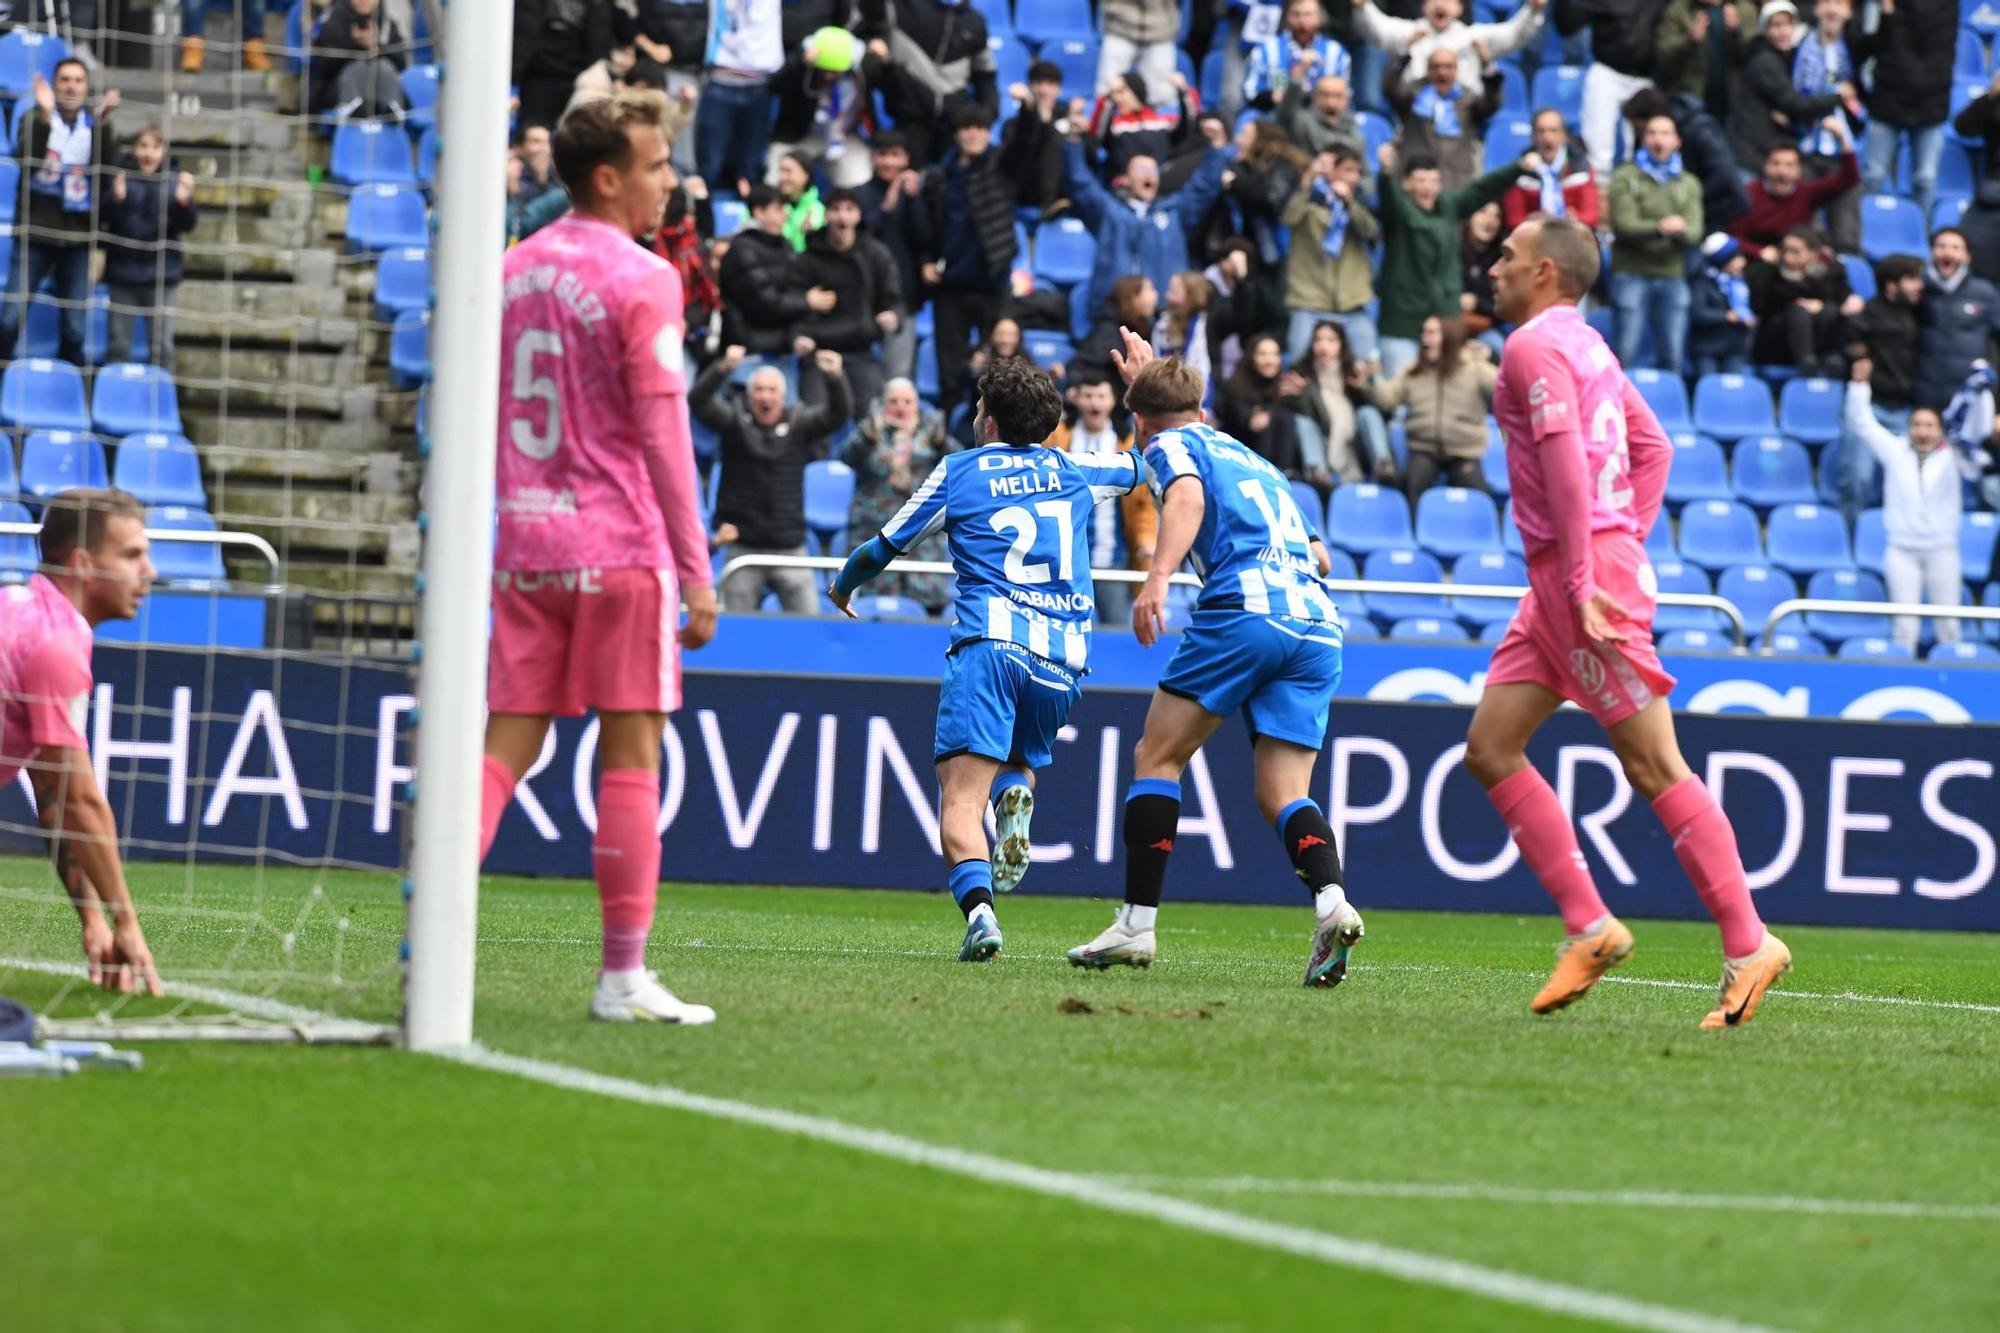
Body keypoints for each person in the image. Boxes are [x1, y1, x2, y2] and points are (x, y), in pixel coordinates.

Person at [1465, 212, 1791, 1029]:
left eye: (1507, 256)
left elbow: (1570, 462)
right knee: (1491, 747)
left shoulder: (1533, 346)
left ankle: (1750, 944)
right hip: (1572, 574)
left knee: (1653, 763)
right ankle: (1590, 924)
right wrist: (1619, 542)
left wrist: (1590, 569)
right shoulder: (1593, 347)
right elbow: (1653, 450)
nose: (1493, 266)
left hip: (1578, 578)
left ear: (1546, 272)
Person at [480, 91, 718, 1025]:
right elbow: (663, 436)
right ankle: (622, 976)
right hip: (620, 548)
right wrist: (696, 572)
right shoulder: (645, 275)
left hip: (525, 541)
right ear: (611, 177)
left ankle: (434, 939)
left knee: (503, 748)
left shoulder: (510, 268)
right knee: (632, 753)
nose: (672, 181)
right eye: (659, 166)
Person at [1066, 336, 1365, 987]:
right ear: (1198, 405)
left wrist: (1157, 577)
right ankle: (1332, 902)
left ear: (1139, 420)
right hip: (1317, 625)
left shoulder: (1168, 445)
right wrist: (1150, 380)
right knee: (1284, 792)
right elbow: (1321, 557)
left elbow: (1189, 497)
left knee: (1157, 756)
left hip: (1245, 613)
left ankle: (1136, 924)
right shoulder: (1255, 460)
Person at [829, 357, 1146, 960]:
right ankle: (1014, 801)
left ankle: (981, 914)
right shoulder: (1075, 467)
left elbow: (883, 547)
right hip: (1063, 659)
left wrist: (844, 586)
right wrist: (1145, 393)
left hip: (990, 645)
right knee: (1019, 763)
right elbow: (1150, 466)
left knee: (959, 797)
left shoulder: (959, 473)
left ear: (991, 421)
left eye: (978, 409)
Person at [0, 489, 162, 998]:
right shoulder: (56, 645)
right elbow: (80, 800)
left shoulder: (18, 609)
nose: (150, 572)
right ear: (84, 564)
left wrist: (91, 919)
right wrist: (127, 924)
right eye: (132, 555)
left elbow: (51, 792)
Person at [696, 344, 855, 612]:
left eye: (771, 390)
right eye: (758, 390)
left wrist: (835, 378)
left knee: (810, 628)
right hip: (743, 547)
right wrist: (721, 368)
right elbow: (698, 401)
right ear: (748, 396)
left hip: (790, 547)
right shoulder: (733, 421)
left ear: (783, 396)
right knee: (736, 629)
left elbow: (837, 415)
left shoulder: (799, 422)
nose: (764, 396)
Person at [1061, 116, 1233, 336]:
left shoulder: (1174, 211)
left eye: (1154, 170)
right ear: (1126, 179)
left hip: (1163, 314)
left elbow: (1204, 186)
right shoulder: (1110, 211)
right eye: (1141, 169)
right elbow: (1080, 184)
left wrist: (1217, 147)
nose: (1149, 174)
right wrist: (1074, 141)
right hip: (1113, 317)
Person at [1, 63, 118, 368]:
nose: (71, 86)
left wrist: (103, 126)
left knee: (76, 328)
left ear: (85, 87)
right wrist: (43, 116)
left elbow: (106, 176)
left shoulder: (94, 125)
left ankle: (72, 394)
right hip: (35, 236)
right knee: (10, 318)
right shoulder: (34, 118)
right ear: (54, 86)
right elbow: (26, 162)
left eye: (78, 81)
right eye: (65, 80)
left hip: (77, 240)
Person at [1375, 144, 1521, 379]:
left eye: (1433, 181)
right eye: (1421, 180)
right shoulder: (1400, 212)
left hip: (1446, 324)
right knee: (1402, 397)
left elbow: (1481, 190)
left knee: (1449, 393)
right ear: (1406, 183)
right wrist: (1384, 173)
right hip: (1402, 327)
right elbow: (1388, 200)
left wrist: (1518, 168)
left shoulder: (1448, 206)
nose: (1428, 187)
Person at [1846, 362, 1963, 650]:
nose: (1922, 431)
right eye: (1917, 425)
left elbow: (1974, 429)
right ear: (1909, 427)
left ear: (1939, 430)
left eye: (1929, 426)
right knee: (1904, 626)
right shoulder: (1894, 450)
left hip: (1942, 549)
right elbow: (1862, 423)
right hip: (1901, 549)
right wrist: (1859, 387)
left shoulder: (1954, 457)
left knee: (1949, 625)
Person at [919, 104, 1019, 409]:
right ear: (956, 134)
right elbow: (929, 225)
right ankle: (953, 430)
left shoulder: (1002, 165)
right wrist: (926, 258)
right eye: (967, 127)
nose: (974, 133)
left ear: (989, 133)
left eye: (980, 127)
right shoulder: (940, 176)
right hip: (951, 282)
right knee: (950, 367)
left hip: (992, 279)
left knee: (1002, 364)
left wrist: (1031, 111)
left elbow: (1026, 146)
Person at [1046, 376, 1159, 625]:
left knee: (1116, 635)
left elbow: (1143, 504)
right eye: (1088, 396)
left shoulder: (1127, 442)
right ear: (1076, 399)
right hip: (1064, 563)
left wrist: (1145, 539)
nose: (1094, 402)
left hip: (1112, 558)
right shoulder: (1057, 440)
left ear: (1113, 400)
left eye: (1101, 396)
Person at [843, 378, 957, 611]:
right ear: (884, 404)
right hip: (876, 530)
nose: (901, 407)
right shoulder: (871, 431)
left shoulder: (932, 432)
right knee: (874, 607)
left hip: (920, 538)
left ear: (917, 405)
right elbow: (844, 456)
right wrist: (866, 437)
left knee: (924, 608)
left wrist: (941, 442)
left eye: (907, 401)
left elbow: (959, 462)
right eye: (893, 401)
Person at [1607, 113, 1703, 376]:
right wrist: (1662, 227)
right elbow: (1625, 225)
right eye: (1652, 133)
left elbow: (1695, 232)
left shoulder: (1689, 183)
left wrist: (1679, 229)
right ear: (1643, 138)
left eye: (1665, 133)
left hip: (1672, 274)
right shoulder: (1626, 176)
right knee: (1625, 352)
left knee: (1673, 355)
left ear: (1677, 141)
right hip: (1630, 273)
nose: (1658, 139)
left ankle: (1668, 411)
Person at [793, 186, 902, 413]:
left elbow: (893, 299)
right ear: (826, 215)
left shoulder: (875, 254)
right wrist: (798, 335)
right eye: (835, 209)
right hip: (818, 353)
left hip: (861, 351)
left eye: (849, 209)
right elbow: (792, 304)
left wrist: (892, 315)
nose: (842, 216)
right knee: (815, 418)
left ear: (858, 215)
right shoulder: (807, 258)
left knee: (873, 419)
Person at [1368, 314, 1496, 499]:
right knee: (1413, 484)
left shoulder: (1477, 370)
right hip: (1423, 450)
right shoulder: (1414, 372)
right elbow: (1386, 399)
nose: (1424, 338)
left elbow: (1503, 388)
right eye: (1424, 333)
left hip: (1464, 451)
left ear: (1449, 337)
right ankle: (1412, 527)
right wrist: (1373, 379)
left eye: (1432, 333)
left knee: (1479, 493)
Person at [100, 127, 197, 372]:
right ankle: (113, 401)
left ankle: (162, 404)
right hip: (123, 276)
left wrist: (184, 203)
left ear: (163, 152)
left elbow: (188, 225)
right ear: (134, 149)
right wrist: (115, 199)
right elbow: (101, 220)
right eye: (143, 146)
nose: (148, 153)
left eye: (154, 147)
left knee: (162, 348)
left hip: (162, 277)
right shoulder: (119, 177)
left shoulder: (175, 181)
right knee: (118, 346)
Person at [1836, 253, 1923, 514]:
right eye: (1912, 279)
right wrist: (1858, 356)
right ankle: (1848, 544)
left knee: (1907, 486)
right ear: (1891, 285)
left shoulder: (1920, 315)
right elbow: (1848, 343)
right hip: (1870, 408)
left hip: (1904, 410)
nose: (1920, 285)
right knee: (1857, 480)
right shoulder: (1867, 313)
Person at [1858, 0, 1957, 226]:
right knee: (1873, 174)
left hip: (1931, 102)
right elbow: (1871, 45)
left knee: (1925, 179)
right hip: (1887, 100)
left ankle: (1918, 235)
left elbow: (1928, 35)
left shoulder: (1947, 8)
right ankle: (1866, 230)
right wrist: (1887, 15)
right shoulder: (1886, 8)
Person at [1726, 2, 1850, 178]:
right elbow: (1795, 104)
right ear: (1765, 30)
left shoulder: (1782, 57)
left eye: (1788, 24)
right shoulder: (1765, 62)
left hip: (1760, 153)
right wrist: (1838, 97)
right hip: (1750, 156)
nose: (1783, 32)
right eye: (1776, 25)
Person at [1282, 146, 1380, 364]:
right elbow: (1289, 218)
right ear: (1330, 171)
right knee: (1298, 368)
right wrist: (1309, 178)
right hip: (1310, 302)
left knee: (1367, 370)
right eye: (1348, 170)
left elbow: (1371, 231)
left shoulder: (1359, 201)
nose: (1355, 178)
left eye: (1358, 172)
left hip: (1353, 304)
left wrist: (1350, 204)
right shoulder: (1307, 198)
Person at [1787, 0, 1865, 254]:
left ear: (1849, 12)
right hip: (1804, 148)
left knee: (1846, 235)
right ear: (1816, 9)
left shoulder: (1856, 47)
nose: (1832, 10)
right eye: (1826, 3)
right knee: (1804, 232)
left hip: (1844, 153)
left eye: (1840, 4)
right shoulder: (1796, 45)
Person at [1353, 0, 1547, 100]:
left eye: (1448, 0)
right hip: (1415, 115)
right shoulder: (1411, 33)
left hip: (1464, 115)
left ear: (1459, 8)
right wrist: (1364, 7)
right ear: (1424, 6)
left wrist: (1532, 10)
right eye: (1434, 0)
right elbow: (1377, 29)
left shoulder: (1473, 37)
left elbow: (1513, 35)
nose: (1440, 4)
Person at [1280, 319, 1396, 486]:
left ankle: (1383, 465)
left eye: (1330, 340)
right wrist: (1301, 395)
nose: (1323, 346)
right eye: (1318, 339)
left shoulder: (1354, 373)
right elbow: (1294, 413)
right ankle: (1317, 473)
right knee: (1304, 423)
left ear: (1342, 344)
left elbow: (1386, 412)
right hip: (1320, 441)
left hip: (1354, 447)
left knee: (1367, 413)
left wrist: (1368, 387)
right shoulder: (1301, 374)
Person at [718, 185, 828, 358]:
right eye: (778, 209)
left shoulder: (786, 245)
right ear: (759, 212)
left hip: (784, 345)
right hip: (749, 350)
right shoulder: (742, 250)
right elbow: (763, 303)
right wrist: (806, 302)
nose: (786, 214)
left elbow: (798, 284)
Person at [1383, 45, 1504, 193]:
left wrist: (1486, 63)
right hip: (1417, 182)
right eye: (1436, 66)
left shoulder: (1468, 97)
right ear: (1427, 69)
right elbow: (1390, 88)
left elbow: (1491, 103)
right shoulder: (1414, 93)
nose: (1442, 72)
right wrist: (1404, 52)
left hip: (1456, 181)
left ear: (1456, 70)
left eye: (1448, 66)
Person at [693, 0, 784, 196]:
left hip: (760, 83)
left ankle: (753, 214)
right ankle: (703, 212)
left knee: (751, 165)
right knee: (709, 162)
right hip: (720, 79)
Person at [1746, 226, 1857, 377]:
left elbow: (1846, 301)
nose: (1787, 257)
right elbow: (1758, 306)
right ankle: (1806, 361)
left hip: (1818, 335)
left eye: (1796, 252)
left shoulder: (1829, 272)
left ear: (1813, 253)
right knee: (1798, 310)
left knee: (1829, 310)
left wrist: (1820, 305)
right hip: (1777, 341)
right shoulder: (1769, 272)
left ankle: (1830, 357)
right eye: (1784, 250)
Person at [1727, 133, 1858, 251]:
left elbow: (1849, 178)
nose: (1782, 172)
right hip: (1756, 262)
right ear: (1765, 166)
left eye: (1789, 165)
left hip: (1797, 262)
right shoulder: (1748, 194)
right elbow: (1733, 238)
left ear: (1799, 170)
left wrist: (1842, 138)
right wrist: (1760, 252)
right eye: (1776, 163)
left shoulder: (1807, 193)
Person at [1916, 229, 2000, 413]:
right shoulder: (1917, 291)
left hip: (1969, 405)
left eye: (1955, 247)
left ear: (1967, 256)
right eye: (1941, 246)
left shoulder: (1985, 293)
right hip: (1923, 405)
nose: (1947, 252)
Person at [1218, 334, 1316, 482]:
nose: (1270, 360)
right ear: (1251, 357)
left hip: (1284, 463)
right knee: (1276, 417)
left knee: (1285, 416)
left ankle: (1287, 473)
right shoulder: (1235, 387)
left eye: (1275, 354)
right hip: (1242, 459)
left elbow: (1311, 419)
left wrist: (1302, 396)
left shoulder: (1286, 386)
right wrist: (1255, 416)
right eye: (1263, 354)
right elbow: (1250, 422)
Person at [1243, 0, 1353, 113]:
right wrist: (1274, 96)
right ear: (1287, 16)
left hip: (1320, 121)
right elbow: (1251, 94)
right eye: (1296, 14)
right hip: (1275, 118)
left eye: (1308, 14)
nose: (1302, 21)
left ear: (1320, 18)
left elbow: (1346, 97)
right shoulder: (1266, 49)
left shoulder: (1336, 53)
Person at [1503, 109, 1600, 233]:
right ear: (1532, 137)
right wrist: (1536, 220)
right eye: (1541, 131)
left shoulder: (1582, 169)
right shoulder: (1520, 170)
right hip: (1534, 239)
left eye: (1554, 131)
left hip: (1572, 238)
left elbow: (1591, 217)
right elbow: (1514, 220)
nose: (1547, 137)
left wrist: (1569, 219)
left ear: (1564, 136)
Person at [312, 0, 412, 121]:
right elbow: (323, 66)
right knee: (357, 67)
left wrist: (377, 47)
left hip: (379, 89)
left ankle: (392, 110)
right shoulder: (334, 21)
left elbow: (402, 64)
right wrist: (354, 44)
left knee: (383, 66)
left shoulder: (386, 24)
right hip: (339, 89)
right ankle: (351, 109)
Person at [1688, 232, 1755, 379]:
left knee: (1735, 392)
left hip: (1735, 347)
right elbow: (1698, 313)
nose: (1742, 262)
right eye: (1736, 258)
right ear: (1724, 261)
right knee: (1708, 388)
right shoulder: (1702, 282)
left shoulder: (1740, 283)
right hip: (1707, 347)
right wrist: (1726, 316)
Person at [1098, 0, 1182, 100]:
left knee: (1161, 95)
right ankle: (1109, 114)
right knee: (1110, 88)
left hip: (1160, 27)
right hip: (1119, 25)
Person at [1276, 72, 1367, 164]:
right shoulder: (1302, 122)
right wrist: (1298, 76)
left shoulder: (1356, 136)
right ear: (1314, 97)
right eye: (1325, 95)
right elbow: (1285, 116)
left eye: (1337, 96)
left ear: (1347, 100)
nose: (1331, 103)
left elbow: (1364, 173)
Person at [1152, 271, 1213, 393]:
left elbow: (1202, 366)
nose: (1168, 296)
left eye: (1174, 292)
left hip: (1197, 390)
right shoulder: (1162, 324)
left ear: (1191, 296)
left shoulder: (1205, 324)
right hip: (1165, 388)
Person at [508, 124, 567, 242]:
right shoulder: (514, 179)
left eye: (547, 143)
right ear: (518, 149)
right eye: (536, 142)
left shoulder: (558, 177)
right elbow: (519, 225)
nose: (543, 148)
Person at [1459, 201, 1504, 352]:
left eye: (1496, 216)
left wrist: (1476, 302)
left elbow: (1506, 306)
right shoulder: (1452, 248)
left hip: (1489, 325)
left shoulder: (1502, 256)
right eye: (1483, 212)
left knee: (1499, 346)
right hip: (1450, 323)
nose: (1489, 221)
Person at [774, 150, 824, 252]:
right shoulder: (768, 205)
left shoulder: (818, 211)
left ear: (806, 175)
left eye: (788, 171)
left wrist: (809, 235)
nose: (782, 177)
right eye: (781, 171)